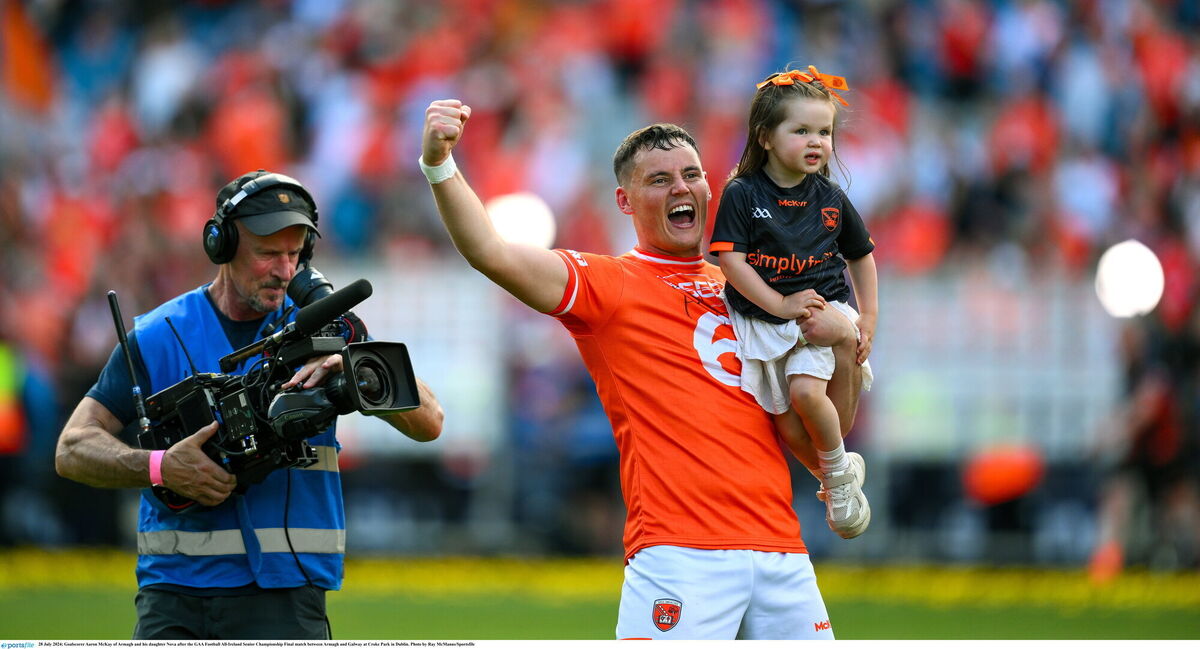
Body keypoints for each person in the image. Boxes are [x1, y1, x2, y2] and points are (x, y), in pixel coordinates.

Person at [421, 99, 858, 640]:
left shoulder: (753, 290)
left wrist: (844, 348)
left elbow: (816, 434)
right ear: (625, 201)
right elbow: (490, 250)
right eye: (659, 179)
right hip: (681, 555)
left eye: (692, 174)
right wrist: (439, 164)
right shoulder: (609, 285)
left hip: (782, 551)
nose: (681, 187)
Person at [54, 170, 444, 640]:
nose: (284, 270)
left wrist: (353, 360)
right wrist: (159, 467)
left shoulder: (328, 330)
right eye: (266, 254)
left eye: (294, 255)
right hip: (175, 598)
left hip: (289, 598)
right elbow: (72, 449)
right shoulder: (157, 335)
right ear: (222, 247)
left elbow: (429, 423)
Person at [708, 66, 878, 540]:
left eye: (823, 132)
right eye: (801, 130)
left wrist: (866, 317)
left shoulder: (830, 197)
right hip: (764, 319)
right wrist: (779, 306)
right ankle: (837, 469)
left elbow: (861, 256)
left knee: (806, 394)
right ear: (765, 136)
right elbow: (732, 263)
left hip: (820, 310)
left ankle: (838, 482)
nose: (816, 142)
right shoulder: (742, 193)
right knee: (787, 429)